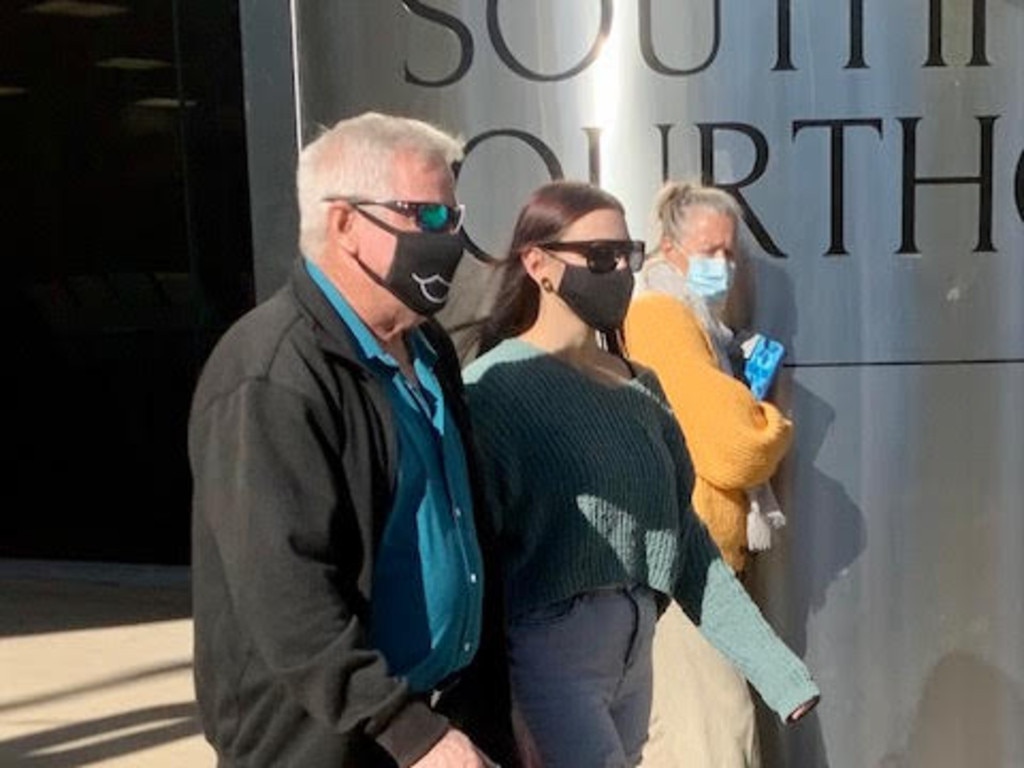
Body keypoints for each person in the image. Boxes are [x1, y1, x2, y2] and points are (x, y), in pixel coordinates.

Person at [188, 111, 517, 768]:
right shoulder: (271, 373)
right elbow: (285, 596)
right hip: (335, 741)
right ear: (344, 224)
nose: (449, 239)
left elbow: (463, 537)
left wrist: (498, 713)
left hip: (445, 720)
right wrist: (409, 733)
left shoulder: (426, 348)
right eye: (425, 218)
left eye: (453, 219)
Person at [462, 180, 819, 768]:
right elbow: (477, 557)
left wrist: (778, 675)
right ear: (539, 265)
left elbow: (684, 543)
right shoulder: (495, 390)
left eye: (625, 255)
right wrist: (493, 708)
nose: (618, 271)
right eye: (598, 257)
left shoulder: (639, 388)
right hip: (551, 646)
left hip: (636, 645)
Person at [623, 181, 797, 767]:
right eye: (709, 251)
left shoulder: (700, 327)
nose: (722, 266)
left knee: (698, 735)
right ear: (669, 250)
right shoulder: (662, 317)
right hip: (685, 569)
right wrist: (771, 419)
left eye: (730, 253)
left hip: (696, 564)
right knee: (715, 739)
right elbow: (736, 447)